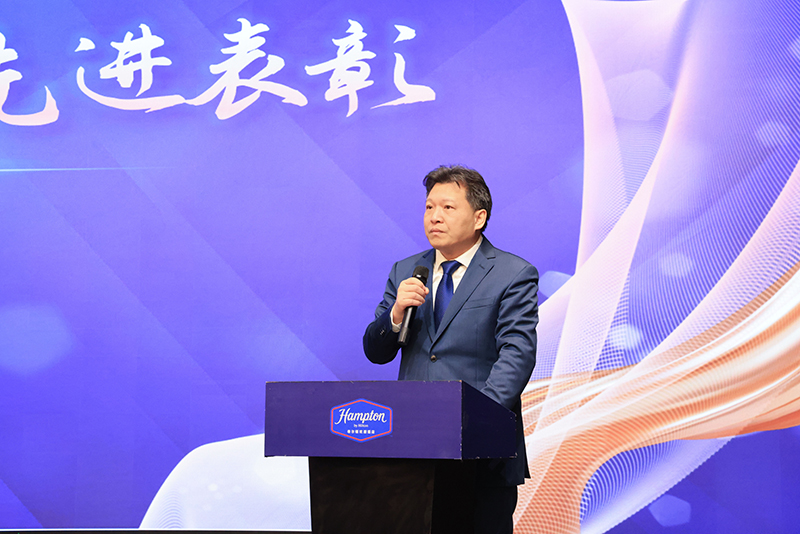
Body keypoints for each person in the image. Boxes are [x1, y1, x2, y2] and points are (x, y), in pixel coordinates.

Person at [363, 165, 539, 534]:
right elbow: (376, 351)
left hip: (482, 455)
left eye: (447, 207)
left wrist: (475, 423)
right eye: (429, 207)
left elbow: (517, 354)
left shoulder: (513, 273)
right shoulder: (405, 270)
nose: (435, 217)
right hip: (413, 448)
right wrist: (395, 315)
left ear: (479, 217)